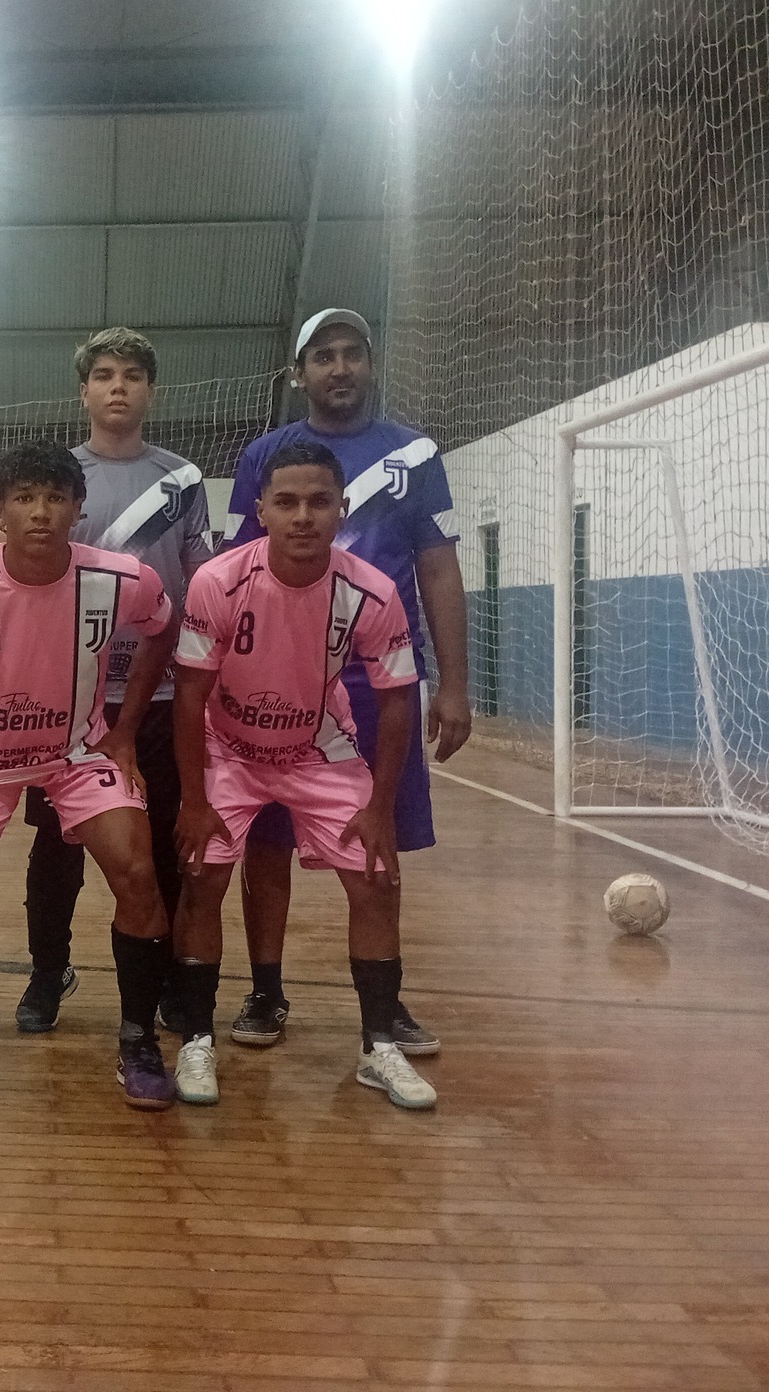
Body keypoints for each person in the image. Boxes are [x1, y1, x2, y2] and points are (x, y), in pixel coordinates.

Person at [0, 441, 181, 1111]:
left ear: (77, 508)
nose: (40, 512)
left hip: (79, 754)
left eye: (55, 498)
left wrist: (123, 731)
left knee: (138, 871)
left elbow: (162, 630)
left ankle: (139, 1039)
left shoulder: (123, 577)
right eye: (24, 498)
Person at [222, 308, 470, 1053]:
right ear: (300, 373)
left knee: (376, 841)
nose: (339, 367)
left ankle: (383, 1006)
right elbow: (237, 573)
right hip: (278, 686)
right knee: (267, 843)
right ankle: (266, 991)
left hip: (379, 682)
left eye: (352, 353)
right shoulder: (264, 454)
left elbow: (438, 567)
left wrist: (454, 685)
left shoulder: (415, 454)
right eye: (323, 356)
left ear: (370, 363)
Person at [170, 440, 434, 1110]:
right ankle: (196, 1038)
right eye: (286, 502)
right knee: (202, 875)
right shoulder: (217, 582)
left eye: (319, 501)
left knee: (377, 877)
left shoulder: (371, 591)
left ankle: (379, 1046)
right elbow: (191, 696)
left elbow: (397, 698)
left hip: (317, 746)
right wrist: (195, 800)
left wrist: (380, 807)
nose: (303, 516)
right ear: (260, 509)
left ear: (342, 508)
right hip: (229, 746)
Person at [15, 327, 212, 1034]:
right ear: (84, 391)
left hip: (158, 697)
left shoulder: (183, 480)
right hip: (68, 702)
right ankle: (48, 971)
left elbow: (198, 580)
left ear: (151, 390)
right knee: (55, 847)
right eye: (104, 375)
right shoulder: (57, 477)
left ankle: (163, 980)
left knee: (159, 842)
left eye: (132, 375)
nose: (118, 386)